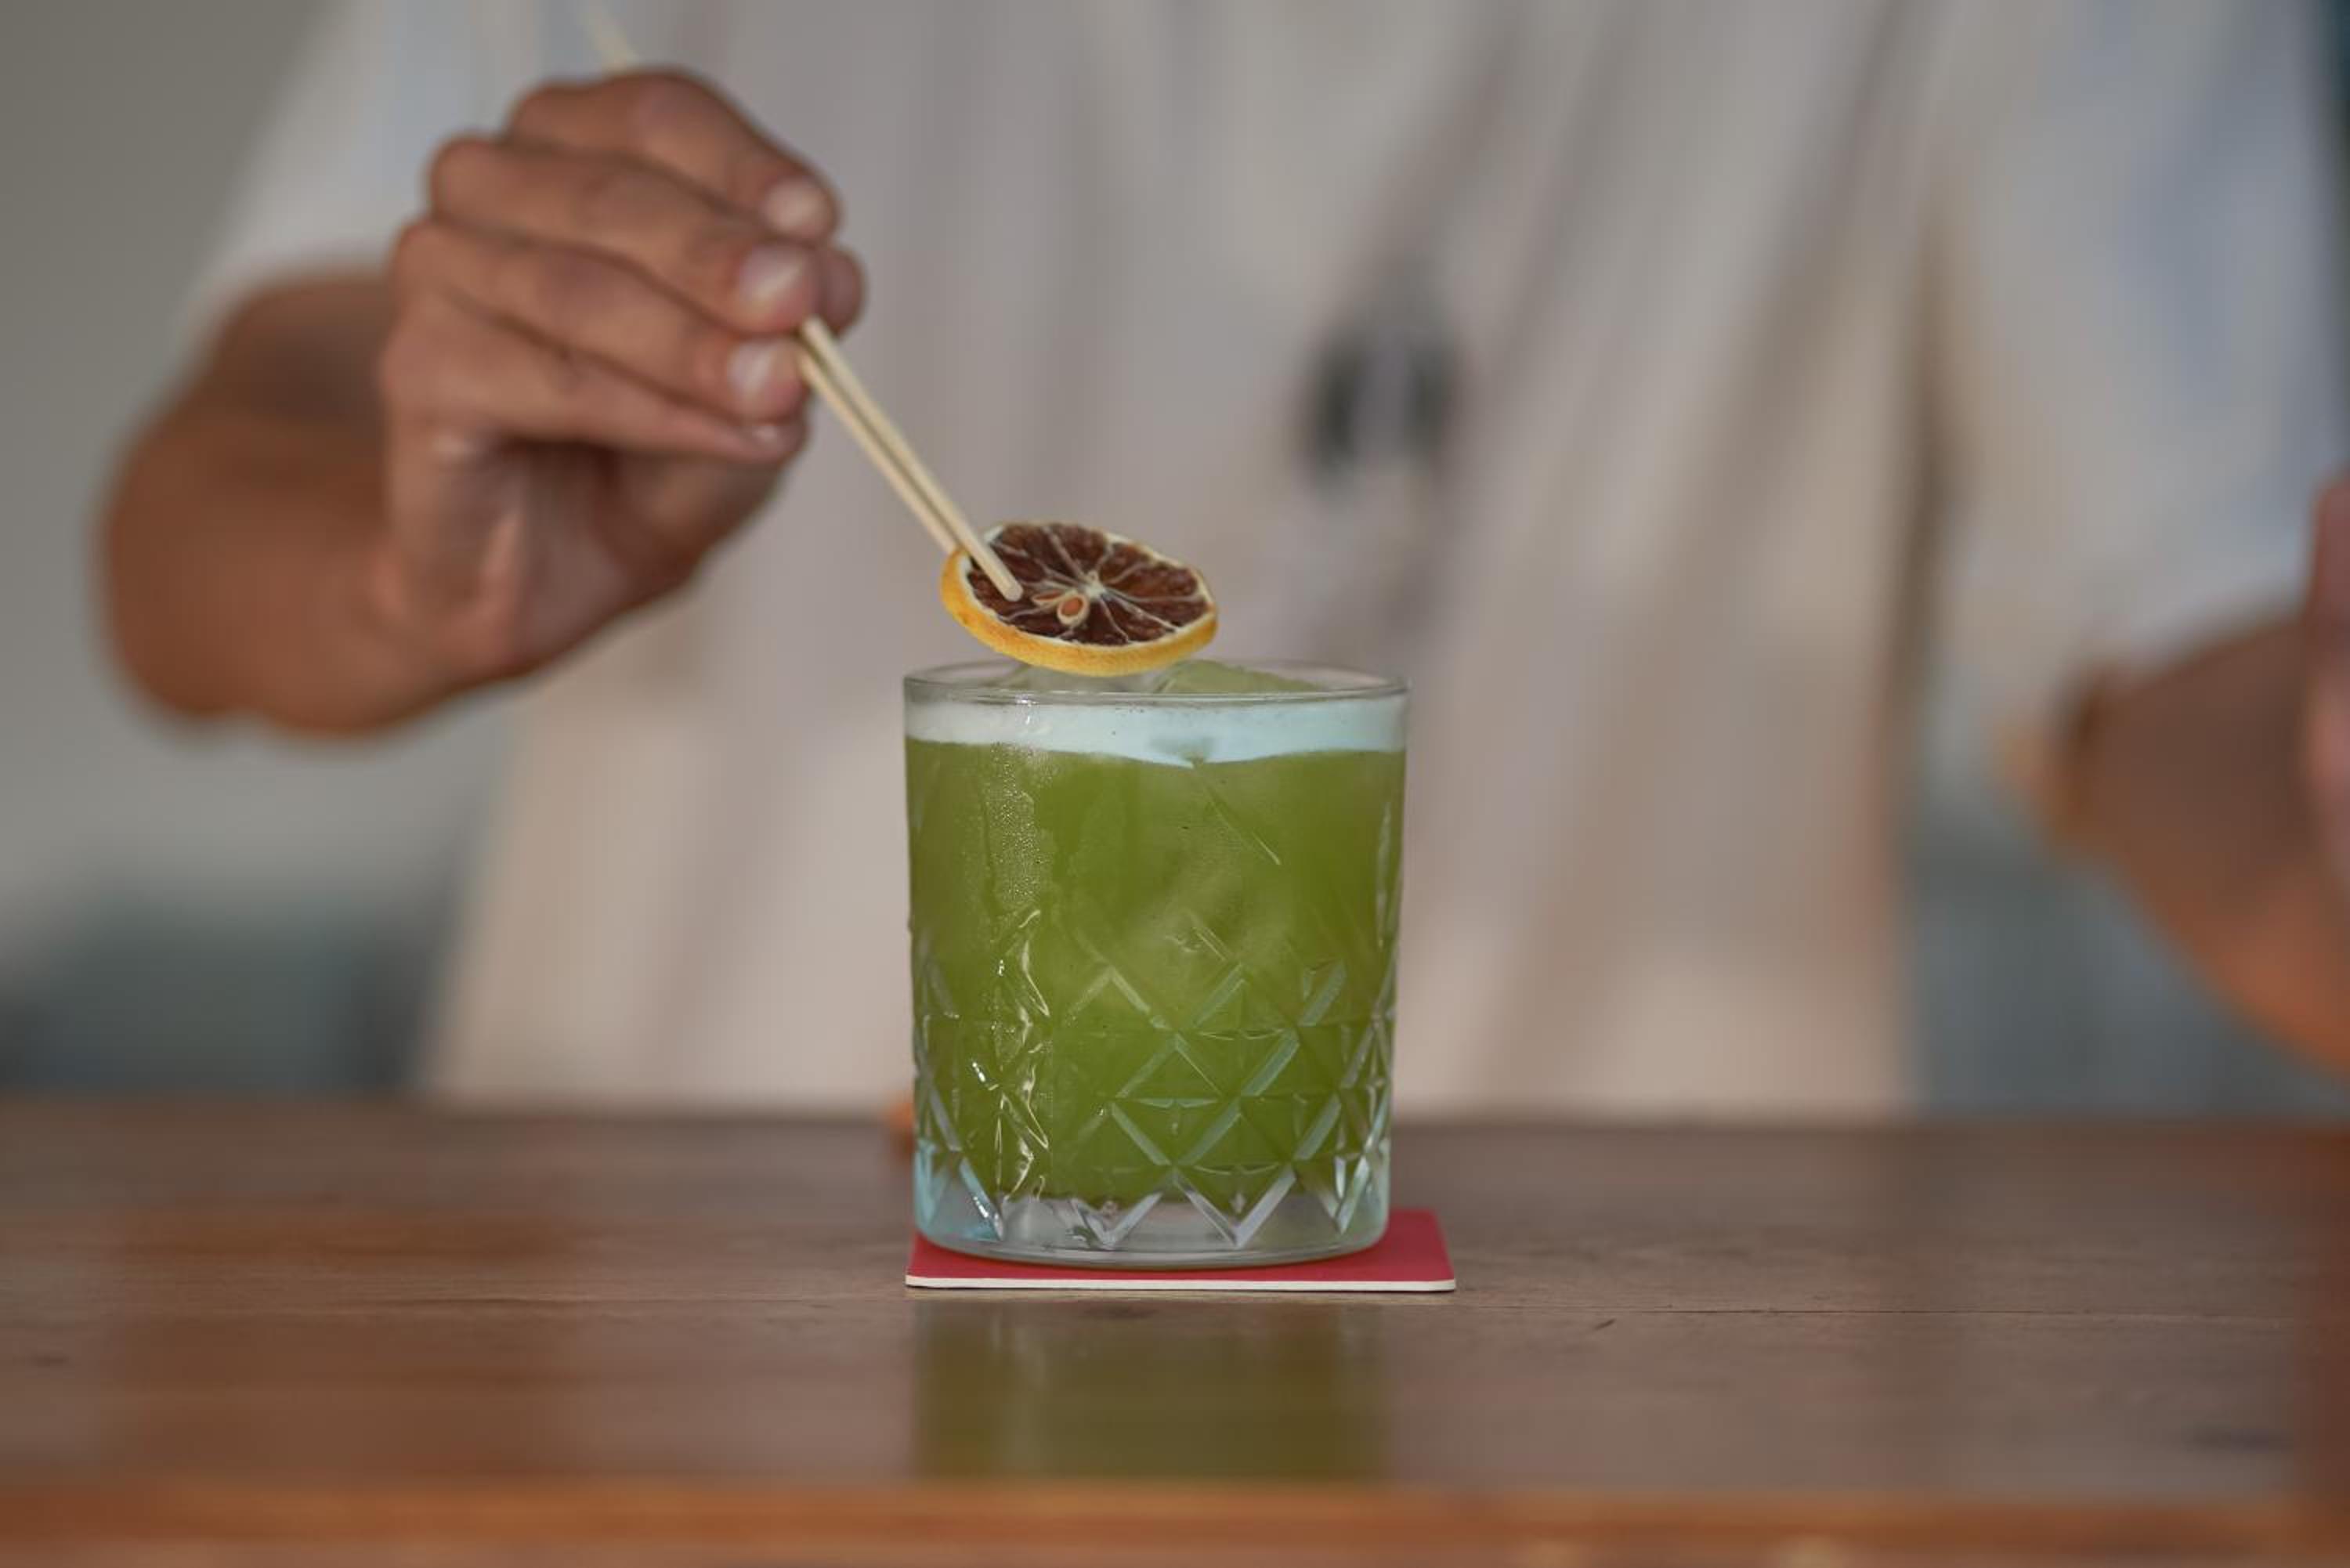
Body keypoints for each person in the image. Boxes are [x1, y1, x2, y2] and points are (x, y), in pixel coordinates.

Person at [103, 0, 2350, 1113]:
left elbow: (2207, 645)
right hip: (675, 1417)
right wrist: (412, 572)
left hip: (1600, 1448)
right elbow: (196, 514)